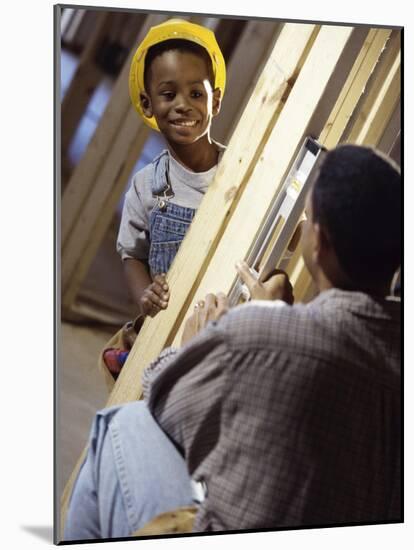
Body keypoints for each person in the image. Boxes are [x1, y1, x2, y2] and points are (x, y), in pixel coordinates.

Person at [64, 144, 401, 540]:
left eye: (307, 218)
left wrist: (199, 345)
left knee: (123, 424)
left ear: (319, 242)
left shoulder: (262, 335)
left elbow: (164, 397)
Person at [101, 19, 227, 383]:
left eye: (197, 94)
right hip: (168, 323)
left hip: (220, 317)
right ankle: (133, 354)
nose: (183, 106)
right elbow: (133, 255)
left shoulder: (237, 172)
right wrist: (145, 297)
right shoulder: (147, 186)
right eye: (169, 95)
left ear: (215, 100)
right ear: (148, 103)